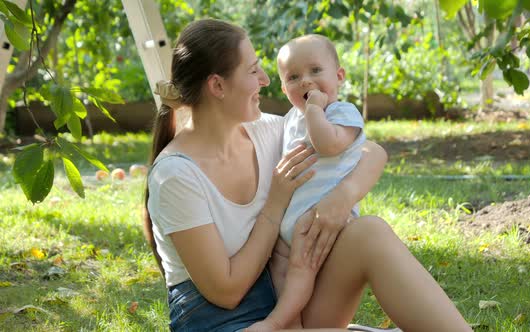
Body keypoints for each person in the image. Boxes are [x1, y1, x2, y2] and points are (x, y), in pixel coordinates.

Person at [145, 18, 472, 332]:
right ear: (217, 85)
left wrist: (342, 197)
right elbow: (226, 293)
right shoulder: (176, 176)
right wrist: (275, 204)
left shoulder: (267, 132)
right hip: (227, 324)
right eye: (253, 69)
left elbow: (371, 152)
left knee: (369, 231)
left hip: (287, 307)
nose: (265, 79)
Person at [247, 34, 367, 330]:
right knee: (280, 273)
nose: (305, 82)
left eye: (315, 71)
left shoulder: (342, 113)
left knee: (300, 270)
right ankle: (292, 325)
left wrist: (314, 110)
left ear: (338, 76)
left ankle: (275, 323)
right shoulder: (290, 118)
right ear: (285, 87)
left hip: (319, 218)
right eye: (293, 77)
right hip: (292, 221)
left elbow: (328, 145)